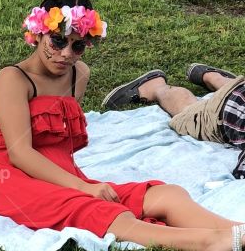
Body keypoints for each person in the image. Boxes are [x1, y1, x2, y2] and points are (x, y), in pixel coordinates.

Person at [0, 0, 244, 251]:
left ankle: (237, 231)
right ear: (39, 33)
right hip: (18, 184)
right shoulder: (13, 79)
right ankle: (207, 243)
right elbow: (20, 153)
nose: (66, 53)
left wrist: (80, 185)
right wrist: (82, 188)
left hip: (65, 178)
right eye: (58, 40)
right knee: (105, 213)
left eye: (78, 46)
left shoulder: (79, 73)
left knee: (168, 194)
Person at [102, 65, 245, 178]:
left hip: (239, 89)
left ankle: (213, 77)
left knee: (237, 89)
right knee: (190, 113)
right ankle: (155, 86)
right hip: (224, 109)